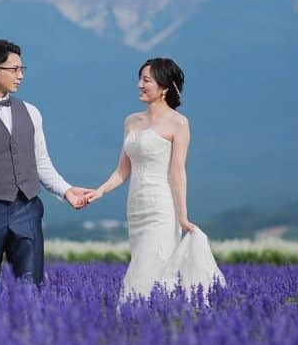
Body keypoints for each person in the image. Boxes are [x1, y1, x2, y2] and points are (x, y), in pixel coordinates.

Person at [0, 39, 91, 287]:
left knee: (32, 288)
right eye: (14, 69)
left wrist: (66, 190)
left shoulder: (32, 112)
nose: (21, 76)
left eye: (22, 69)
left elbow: (42, 163)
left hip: (27, 210)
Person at [84, 58, 225, 301]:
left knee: (152, 267)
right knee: (141, 260)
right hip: (136, 206)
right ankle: (153, 318)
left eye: (146, 80)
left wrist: (182, 216)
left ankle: (146, 316)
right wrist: (100, 191)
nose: (140, 85)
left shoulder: (179, 123)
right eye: (140, 79)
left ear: (164, 87)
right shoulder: (131, 121)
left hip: (162, 207)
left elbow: (177, 172)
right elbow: (122, 170)